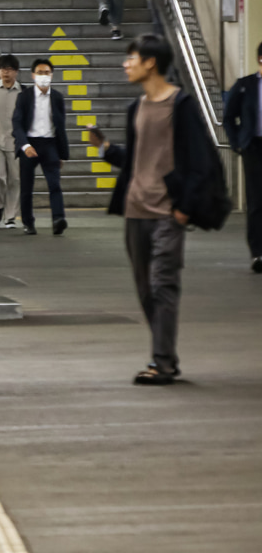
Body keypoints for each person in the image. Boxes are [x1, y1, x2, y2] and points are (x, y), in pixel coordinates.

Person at [89, 34, 219, 385]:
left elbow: (200, 161)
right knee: (146, 290)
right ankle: (166, 356)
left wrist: (183, 210)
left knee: (163, 285)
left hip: (166, 212)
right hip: (135, 211)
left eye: (131, 58)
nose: (125, 64)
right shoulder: (137, 108)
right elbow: (136, 161)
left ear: (150, 62)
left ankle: (162, 362)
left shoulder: (182, 104)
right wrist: (105, 148)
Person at [12, 58, 69, 235]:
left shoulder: (57, 97)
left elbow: (61, 126)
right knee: (26, 187)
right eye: (40, 73)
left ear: (51, 75)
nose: (43, 76)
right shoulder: (24, 96)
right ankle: (28, 222)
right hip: (30, 144)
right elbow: (17, 123)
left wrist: (61, 154)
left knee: (54, 184)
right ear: (33, 75)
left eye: (46, 73)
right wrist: (25, 145)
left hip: (50, 144)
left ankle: (58, 219)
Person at [224, 41, 262, 272]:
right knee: (257, 201)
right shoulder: (245, 86)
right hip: (254, 147)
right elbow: (229, 117)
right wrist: (237, 142)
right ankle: (258, 252)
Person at [0, 55, 21, 229]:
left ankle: (10, 216)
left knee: (15, 180)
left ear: (16, 72)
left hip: (15, 142)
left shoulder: (23, 92)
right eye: (3, 69)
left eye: (10, 69)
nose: (6, 72)